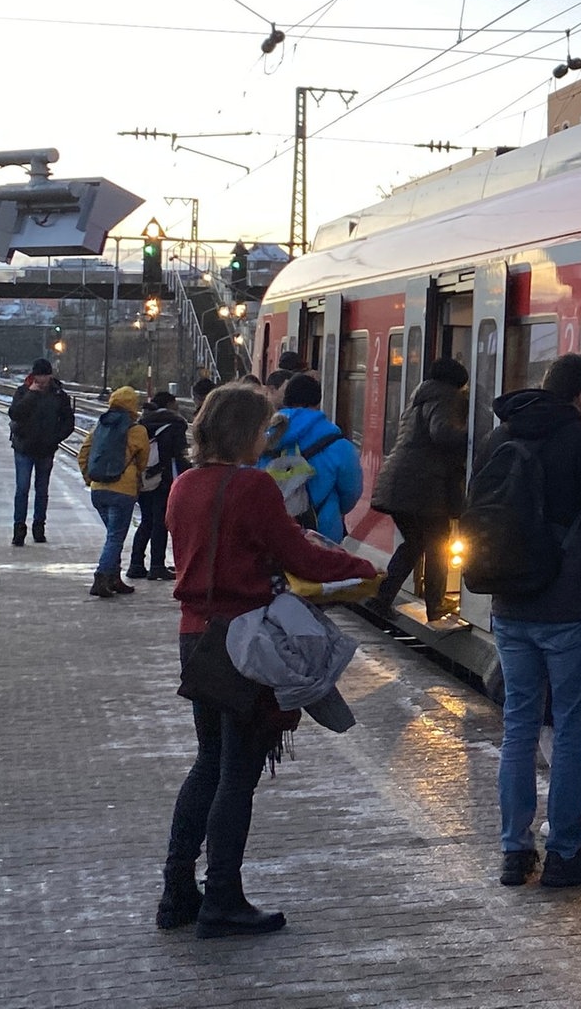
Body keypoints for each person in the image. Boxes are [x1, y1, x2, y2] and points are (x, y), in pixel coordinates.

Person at [158, 384, 376, 938]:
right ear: (242, 432)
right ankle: (223, 899)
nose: (266, 439)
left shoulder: (184, 485)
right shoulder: (252, 486)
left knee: (209, 762)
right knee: (238, 774)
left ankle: (178, 888)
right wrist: (365, 568)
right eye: (261, 429)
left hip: (197, 639)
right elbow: (299, 556)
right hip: (245, 642)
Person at [483, 353, 581, 890]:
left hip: (509, 606)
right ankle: (565, 850)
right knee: (570, 729)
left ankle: (513, 850)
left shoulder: (499, 438)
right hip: (567, 606)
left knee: (519, 728)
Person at [368, 357, 469, 621]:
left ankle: (381, 597)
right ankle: (436, 605)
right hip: (423, 487)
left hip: (399, 482)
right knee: (437, 542)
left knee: (414, 543)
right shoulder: (447, 396)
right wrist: (475, 436)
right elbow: (443, 433)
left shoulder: (420, 397)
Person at [259, 374, 363, 543]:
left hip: (270, 533)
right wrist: (332, 509)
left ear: (286, 400)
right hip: (322, 534)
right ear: (318, 401)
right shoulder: (337, 443)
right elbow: (351, 491)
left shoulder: (263, 437)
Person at [79, 386, 151, 598]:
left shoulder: (99, 426)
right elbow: (143, 460)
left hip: (98, 490)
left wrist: (89, 478)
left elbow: (83, 454)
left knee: (113, 535)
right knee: (115, 537)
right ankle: (101, 577)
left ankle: (114, 578)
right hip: (123, 491)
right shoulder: (137, 431)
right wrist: (135, 475)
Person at [7, 356, 76, 545]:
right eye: (38, 376)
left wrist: (55, 438)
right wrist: (32, 394)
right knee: (22, 488)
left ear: (50, 376)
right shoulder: (23, 392)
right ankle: (19, 529)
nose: (41, 380)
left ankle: (39, 527)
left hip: (46, 449)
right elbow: (15, 413)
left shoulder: (59, 395)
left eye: (44, 376)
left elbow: (68, 422)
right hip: (24, 447)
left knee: (42, 490)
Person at [127, 391, 191, 581]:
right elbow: (180, 455)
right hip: (164, 479)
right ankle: (157, 565)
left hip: (144, 477)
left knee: (146, 520)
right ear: (171, 403)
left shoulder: (142, 423)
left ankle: (136, 564)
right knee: (160, 522)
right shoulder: (176, 424)